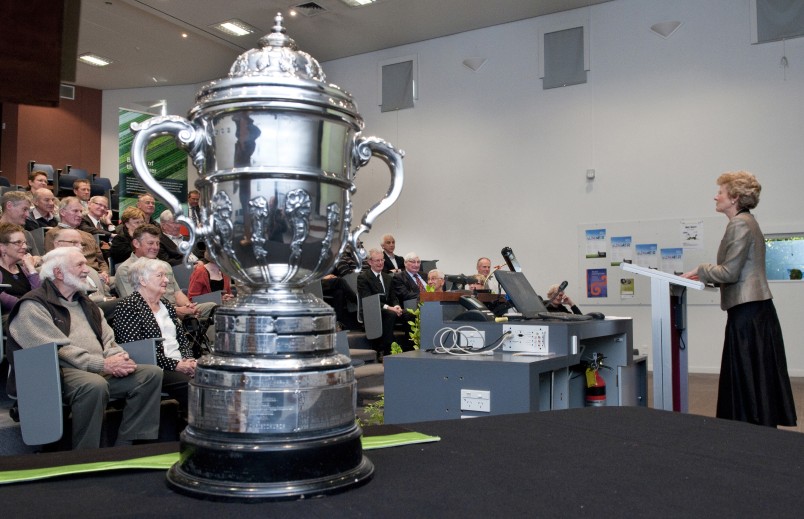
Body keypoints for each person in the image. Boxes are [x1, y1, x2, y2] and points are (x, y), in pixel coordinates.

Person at [6, 247, 163, 449]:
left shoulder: (87, 303)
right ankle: (85, 453)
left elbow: (108, 339)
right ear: (59, 273)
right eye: (79, 264)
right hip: (57, 373)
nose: (87, 270)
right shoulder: (33, 305)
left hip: (98, 367)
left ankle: (126, 446)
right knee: (93, 385)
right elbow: (58, 350)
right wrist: (102, 364)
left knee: (150, 374)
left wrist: (118, 357)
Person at [681, 171, 796, 428]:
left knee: (748, 376)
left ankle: (747, 431)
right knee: (756, 377)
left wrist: (701, 269)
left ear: (733, 197)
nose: (716, 196)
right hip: (753, 311)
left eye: (720, 192)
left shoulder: (740, 224)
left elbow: (730, 272)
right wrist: (706, 277)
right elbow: (738, 271)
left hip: (748, 314)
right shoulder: (747, 222)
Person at [113, 257, 197, 418]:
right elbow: (138, 351)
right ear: (143, 280)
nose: (166, 280)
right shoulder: (128, 306)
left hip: (180, 362)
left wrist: (188, 359)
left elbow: (181, 339)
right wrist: (176, 364)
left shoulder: (166, 305)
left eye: (165, 276)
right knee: (192, 385)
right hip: (155, 368)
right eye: (160, 276)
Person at [115, 224, 216, 321]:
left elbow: (177, 293)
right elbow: (137, 306)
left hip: (176, 309)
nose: (155, 247)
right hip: (152, 316)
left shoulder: (165, 266)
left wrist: (188, 306)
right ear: (136, 243)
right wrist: (175, 311)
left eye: (157, 243)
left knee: (213, 308)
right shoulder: (126, 270)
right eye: (150, 243)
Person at [44, 197, 111, 284]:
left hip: (99, 277)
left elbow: (101, 261)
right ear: (62, 212)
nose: (80, 215)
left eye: (81, 211)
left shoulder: (89, 235)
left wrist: (104, 272)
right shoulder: (53, 234)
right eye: (75, 211)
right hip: (75, 277)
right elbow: (53, 262)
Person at [357, 248, 408, 356]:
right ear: (370, 262)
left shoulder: (388, 277)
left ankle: (410, 347)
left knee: (408, 313)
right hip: (372, 310)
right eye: (377, 260)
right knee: (390, 314)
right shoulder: (363, 278)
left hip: (389, 309)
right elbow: (368, 300)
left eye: (382, 260)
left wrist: (397, 305)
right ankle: (386, 349)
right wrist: (390, 308)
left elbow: (393, 297)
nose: (380, 263)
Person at [52, 227, 115, 303]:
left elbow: (107, 295)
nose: (80, 247)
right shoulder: (51, 271)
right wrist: (103, 299)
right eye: (74, 243)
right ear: (58, 244)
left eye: (81, 244)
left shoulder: (90, 270)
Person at [0, 222, 41, 315]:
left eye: (25, 243)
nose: (25, 247)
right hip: (8, 319)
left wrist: (31, 268)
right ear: (2, 247)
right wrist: (28, 306)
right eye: (18, 242)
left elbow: (39, 296)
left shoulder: (23, 269)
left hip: (31, 315)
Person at [1, 191, 42, 258]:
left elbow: (38, 259)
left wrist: (36, 260)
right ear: (9, 206)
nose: (27, 215)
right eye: (24, 209)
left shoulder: (27, 234)